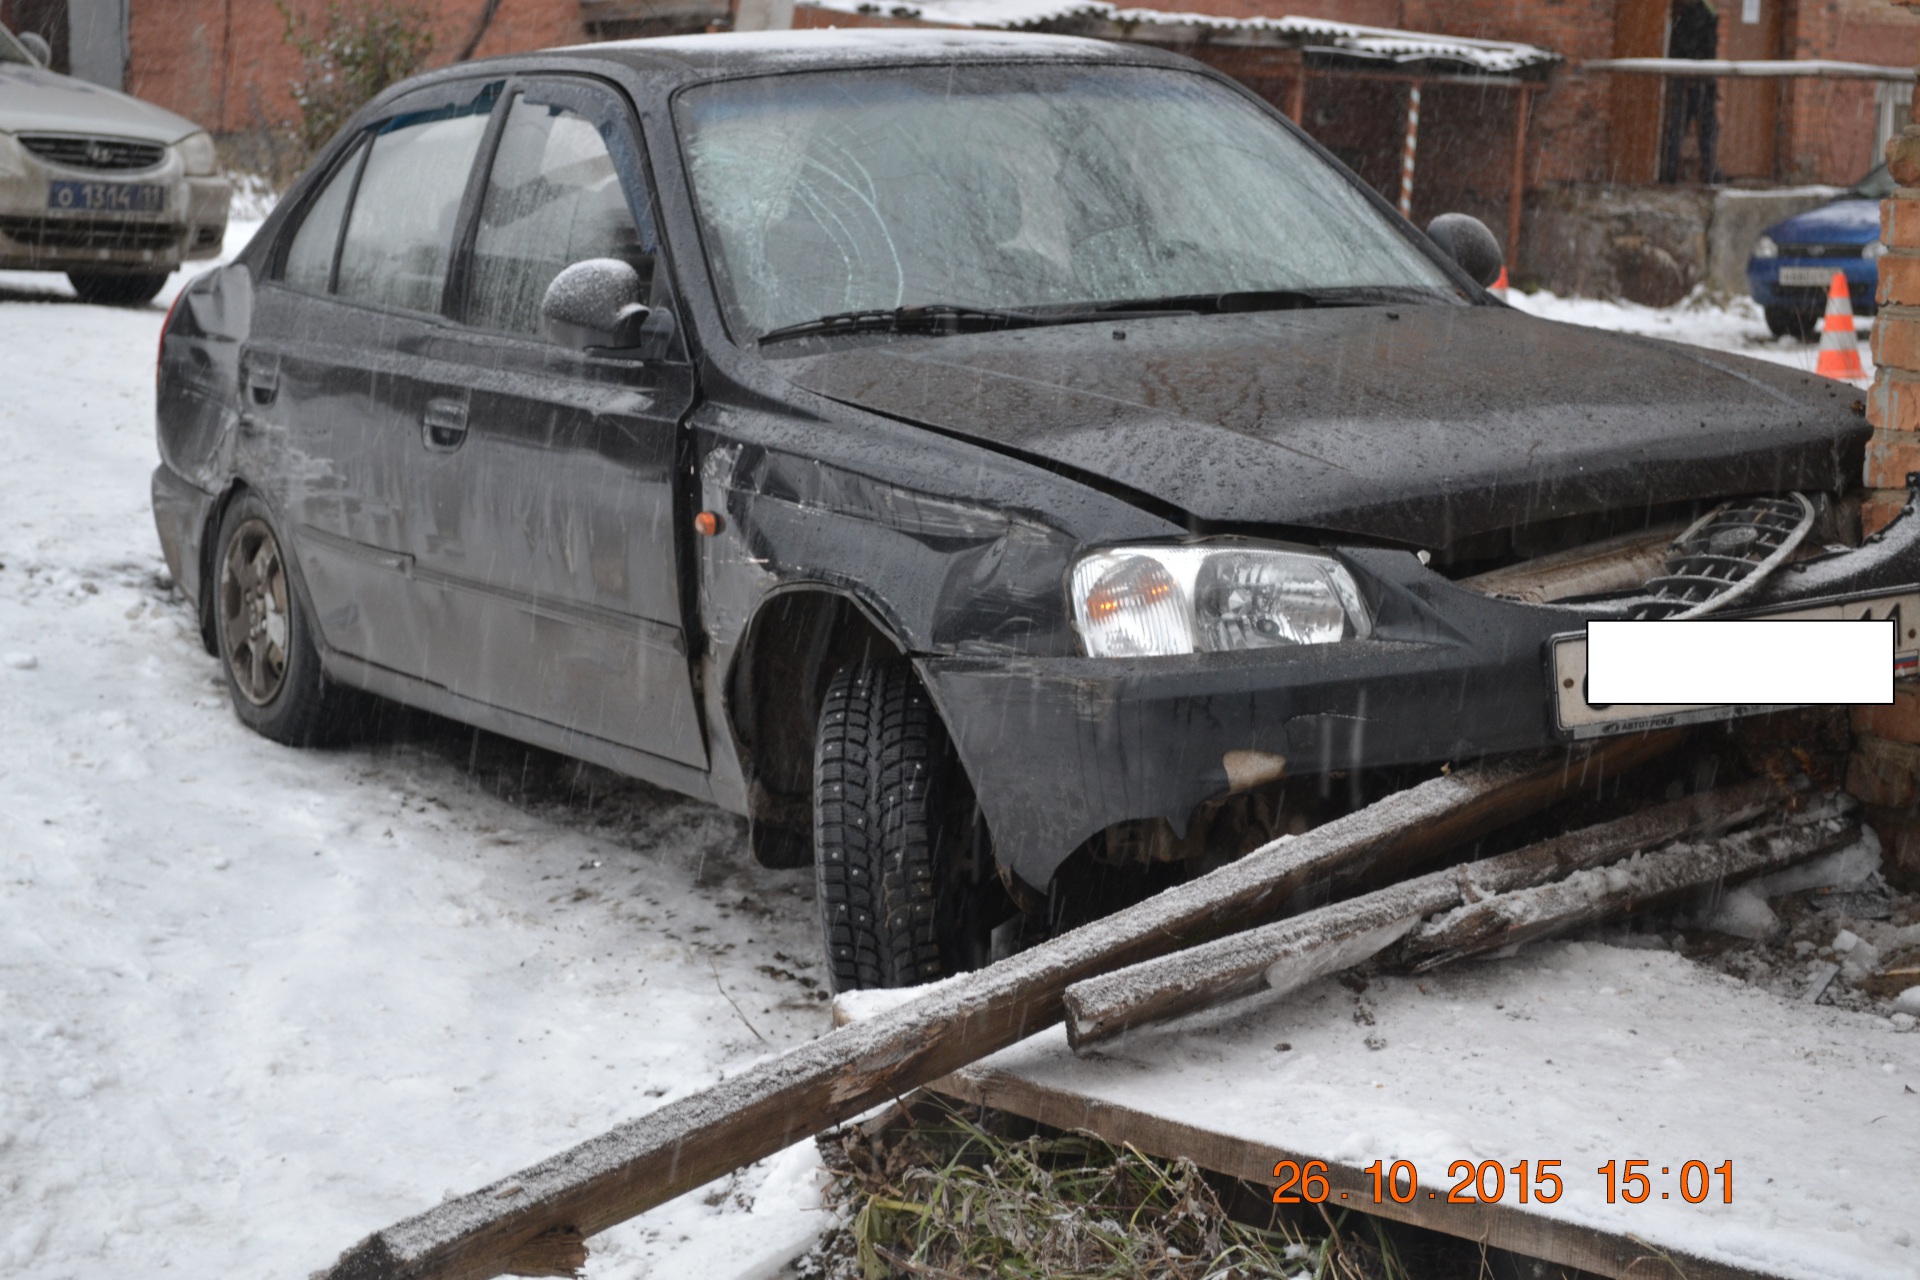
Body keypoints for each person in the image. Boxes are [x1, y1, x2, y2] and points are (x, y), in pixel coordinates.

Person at [1661, 0, 1722, 184]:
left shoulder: (1684, 15)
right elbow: (1706, 49)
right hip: (1696, 82)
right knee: (1700, 128)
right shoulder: (1701, 15)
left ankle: (1671, 172)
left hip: (1690, 82)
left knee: (1681, 127)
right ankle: (1708, 172)